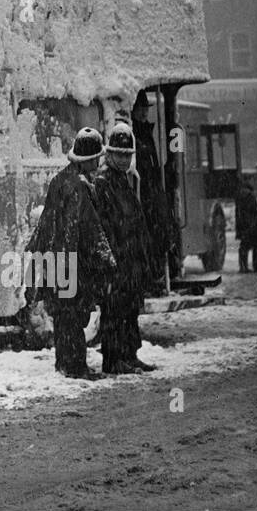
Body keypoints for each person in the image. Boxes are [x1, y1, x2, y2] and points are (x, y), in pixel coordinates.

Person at [26, 127, 117, 380]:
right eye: (97, 157)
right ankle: (76, 366)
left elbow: (46, 222)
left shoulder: (60, 179)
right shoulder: (81, 185)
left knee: (64, 316)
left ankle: (64, 363)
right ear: (89, 159)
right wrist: (106, 259)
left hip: (56, 261)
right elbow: (89, 228)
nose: (99, 161)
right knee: (74, 316)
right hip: (72, 263)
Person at [92, 120, 159, 374]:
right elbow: (106, 225)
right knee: (115, 311)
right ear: (109, 153)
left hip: (129, 260)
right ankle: (114, 358)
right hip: (117, 260)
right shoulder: (104, 182)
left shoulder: (122, 179)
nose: (123, 159)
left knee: (129, 310)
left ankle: (129, 355)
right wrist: (113, 258)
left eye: (127, 155)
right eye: (119, 154)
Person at [129, 95, 183, 289]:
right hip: (146, 194)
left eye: (146, 108)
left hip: (151, 192)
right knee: (154, 233)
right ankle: (154, 276)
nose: (144, 111)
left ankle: (157, 274)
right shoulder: (137, 133)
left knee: (159, 232)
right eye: (141, 108)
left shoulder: (145, 132)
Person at [235, 174, 257, 272]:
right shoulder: (249, 195)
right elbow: (255, 210)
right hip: (252, 224)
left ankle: (243, 267)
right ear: (247, 181)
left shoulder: (239, 194)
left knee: (244, 245)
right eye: (251, 180)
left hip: (243, 224)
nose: (253, 182)